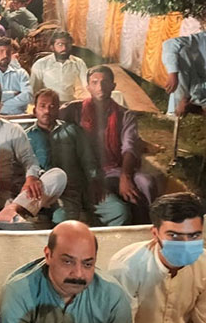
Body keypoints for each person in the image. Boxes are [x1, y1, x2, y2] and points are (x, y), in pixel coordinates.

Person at [61, 65, 157, 223]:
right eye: (95, 82)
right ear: (88, 87)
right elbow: (49, 118)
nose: (100, 87)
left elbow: (129, 146)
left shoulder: (124, 114)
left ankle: (146, 227)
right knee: (119, 206)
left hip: (115, 169)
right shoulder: (75, 110)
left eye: (105, 82)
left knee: (146, 183)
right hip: (87, 172)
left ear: (113, 86)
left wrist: (125, 176)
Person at [20, 88, 131, 226]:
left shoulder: (73, 131)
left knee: (118, 211)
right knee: (63, 220)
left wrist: (95, 181)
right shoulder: (25, 138)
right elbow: (24, 168)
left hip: (83, 186)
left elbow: (88, 159)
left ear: (58, 110)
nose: (47, 111)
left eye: (52, 106)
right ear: (34, 110)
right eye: (42, 106)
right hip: (54, 192)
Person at [0, 221, 132, 323]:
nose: (78, 274)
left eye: (87, 264)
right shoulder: (19, 291)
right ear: (48, 255)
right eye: (68, 262)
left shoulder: (113, 296)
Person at [0, 83, 68, 228]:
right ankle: (5, 216)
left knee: (57, 175)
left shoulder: (13, 130)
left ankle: (11, 210)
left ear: (0, 106)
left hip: (10, 191)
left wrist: (31, 178)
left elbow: (29, 160)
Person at [109, 192, 206, 323]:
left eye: (194, 235)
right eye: (174, 236)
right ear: (155, 234)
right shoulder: (127, 266)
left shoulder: (204, 266)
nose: (185, 244)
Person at [30, 30, 89, 103]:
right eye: (60, 44)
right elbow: (33, 90)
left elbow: (87, 85)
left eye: (67, 44)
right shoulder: (40, 64)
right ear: (52, 47)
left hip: (70, 104)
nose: (64, 48)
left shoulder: (78, 63)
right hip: (48, 104)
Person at [161, 31, 206, 116]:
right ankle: (178, 108)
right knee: (182, 51)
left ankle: (190, 107)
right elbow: (170, 44)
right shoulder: (202, 39)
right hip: (193, 83)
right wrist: (173, 73)